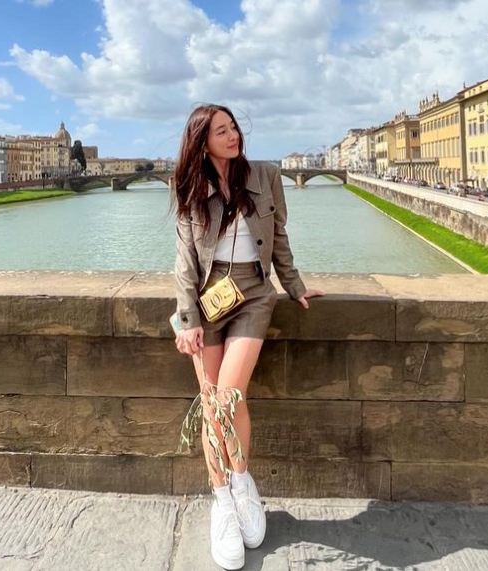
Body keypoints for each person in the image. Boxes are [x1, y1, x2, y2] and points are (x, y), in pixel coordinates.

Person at [171, 103, 325, 570]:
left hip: (254, 293)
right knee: (212, 401)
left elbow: (279, 237)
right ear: (202, 142)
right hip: (208, 297)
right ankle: (223, 501)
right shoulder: (190, 186)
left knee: (228, 396)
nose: (233, 135)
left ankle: (242, 484)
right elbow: (184, 261)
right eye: (221, 131)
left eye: (233, 126)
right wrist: (188, 317)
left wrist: (294, 286)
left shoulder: (267, 174)